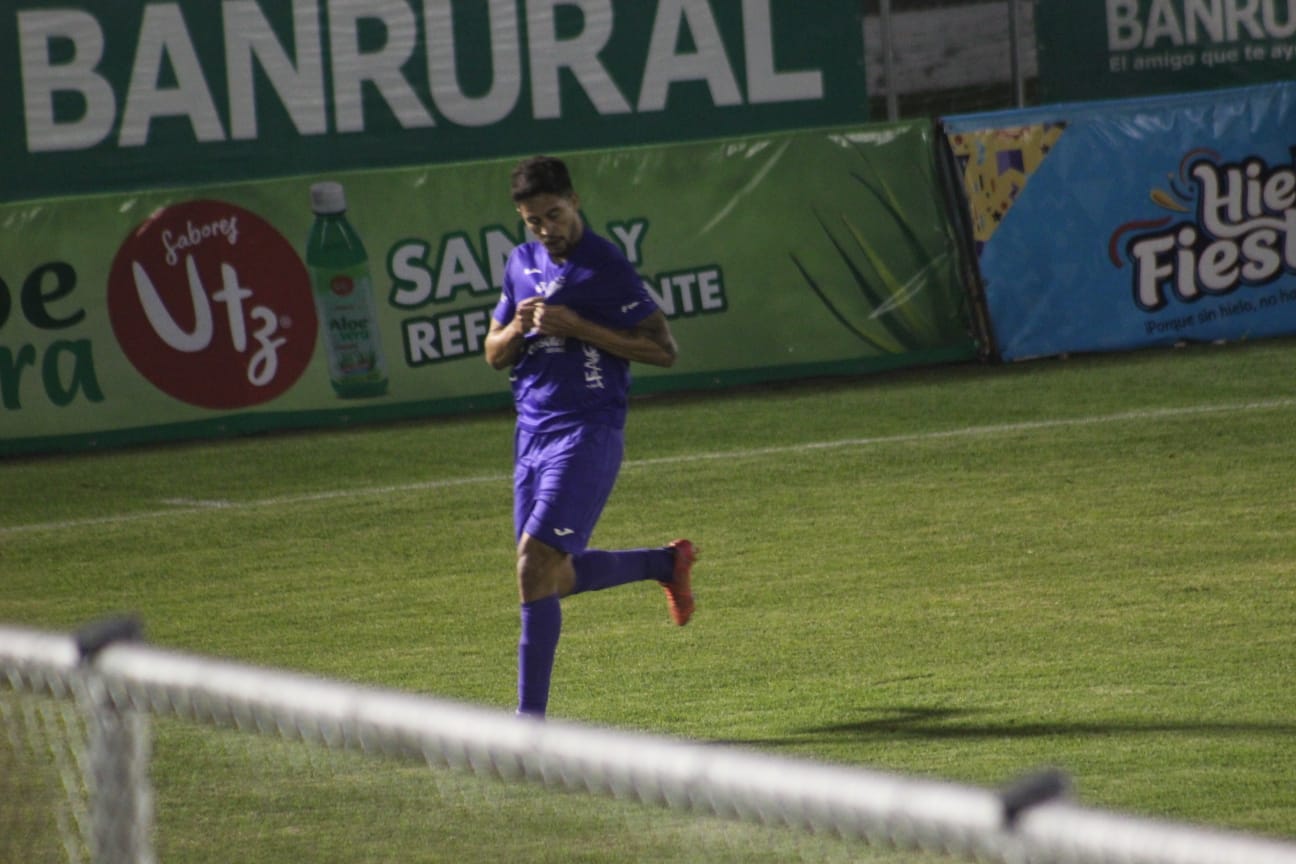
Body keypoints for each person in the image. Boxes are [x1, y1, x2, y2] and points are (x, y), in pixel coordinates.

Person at [484, 155, 697, 718]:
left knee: (533, 565)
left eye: (553, 215)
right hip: (530, 435)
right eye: (533, 221)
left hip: (587, 431)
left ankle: (529, 728)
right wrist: (516, 329)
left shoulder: (605, 268)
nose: (546, 230)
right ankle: (663, 564)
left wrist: (581, 328)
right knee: (551, 577)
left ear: (575, 201)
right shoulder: (520, 264)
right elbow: (492, 353)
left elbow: (664, 351)